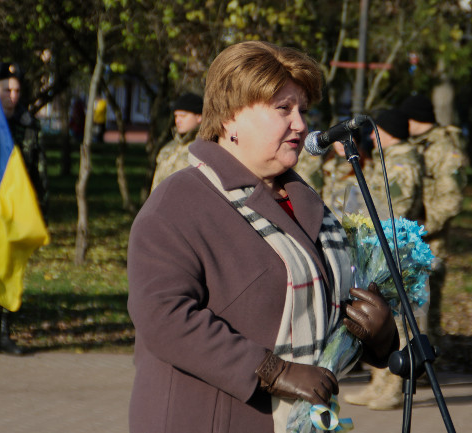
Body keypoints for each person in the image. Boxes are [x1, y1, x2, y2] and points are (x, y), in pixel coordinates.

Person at [127, 41, 398, 433]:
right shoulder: (178, 202)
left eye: (302, 109)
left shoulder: (307, 203)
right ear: (230, 119)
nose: (301, 124)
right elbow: (163, 318)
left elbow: (321, 309)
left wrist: (378, 336)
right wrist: (272, 371)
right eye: (283, 108)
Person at [343, 108, 425, 411]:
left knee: (398, 322)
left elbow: (394, 208)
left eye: (378, 132)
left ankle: (393, 388)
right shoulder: (387, 159)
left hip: (393, 250)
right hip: (378, 248)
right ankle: (378, 383)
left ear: (389, 132)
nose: (372, 138)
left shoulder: (401, 163)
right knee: (381, 316)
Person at [398, 93, 467, 346]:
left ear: (415, 119)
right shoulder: (415, 144)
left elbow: (451, 200)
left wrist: (422, 228)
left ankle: (429, 358)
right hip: (409, 241)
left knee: (427, 309)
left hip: (430, 243)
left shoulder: (445, 149)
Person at [0, 61, 48, 355]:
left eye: (16, 90)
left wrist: (40, 211)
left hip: (16, 210)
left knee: (10, 271)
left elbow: (39, 172)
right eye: (6, 90)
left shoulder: (29, 125)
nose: (12, 96)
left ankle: (4, 333)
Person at [150, 92, 203, 191]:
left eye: (183, 116)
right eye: (176, 116)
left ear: (199, 117)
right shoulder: (168, 148)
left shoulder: (206, 150)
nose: (178, 120)